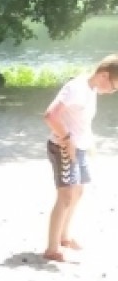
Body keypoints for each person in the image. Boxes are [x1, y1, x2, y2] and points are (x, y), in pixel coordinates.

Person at [43, 54, 118, 261]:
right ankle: (51, 249)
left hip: (79, 148)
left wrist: (90, 144)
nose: (113, 92)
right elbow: (50, 116)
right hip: (63, 147)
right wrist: (67, 140)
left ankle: (64, 237)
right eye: (114, 87)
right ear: (104, 75)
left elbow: (81, 121)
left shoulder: (91, 89)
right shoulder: (76, 88)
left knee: (78, 192)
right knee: (66, 195)